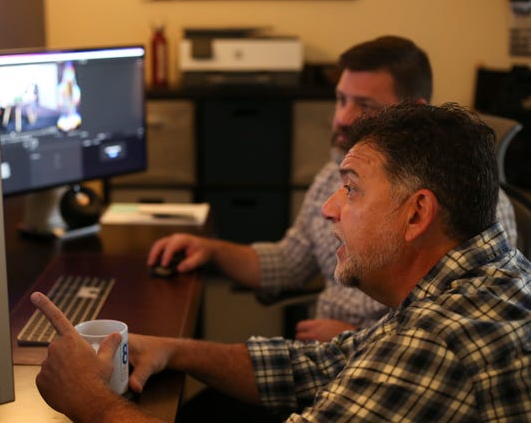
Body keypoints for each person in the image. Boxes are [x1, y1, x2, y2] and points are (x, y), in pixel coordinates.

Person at [31, 103, 531, 422]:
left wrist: (92, 403)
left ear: (417, 213)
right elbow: (319, 365)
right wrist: (171, 350)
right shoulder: (479, 279)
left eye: (351, 189)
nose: (329, 207)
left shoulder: (440, 341)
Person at [147, 35, 518, 342]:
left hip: (378, 359)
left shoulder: (467, 204)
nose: (342, 117)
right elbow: (289, 262)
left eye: (364, 105)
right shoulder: (333, 173)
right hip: (323, 356)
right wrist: (212, 251)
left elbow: (459, 322)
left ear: (412, 111)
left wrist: (356, 335)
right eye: (341, 99)